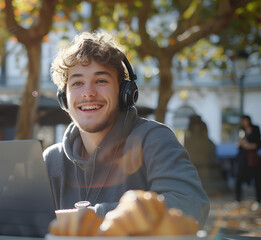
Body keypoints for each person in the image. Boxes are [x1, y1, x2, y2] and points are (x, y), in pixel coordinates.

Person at [44, 31, 210, 227]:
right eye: (77, 83)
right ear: (64, 98)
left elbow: (190, 207)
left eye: (101, 81)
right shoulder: (52, 160)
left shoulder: (154, 139)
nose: (88, 93)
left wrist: (93, 217)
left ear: (124, 92)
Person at [235, 115, 261, 203]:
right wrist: (242, 143)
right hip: (243, 158)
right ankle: (237, 199)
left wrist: (247, 146)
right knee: (239, 178)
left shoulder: (255, 129)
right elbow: (238, 144)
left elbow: (257, 144)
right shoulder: (241, 129)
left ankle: (258, 200)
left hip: (253, 158)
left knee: (257, 178)